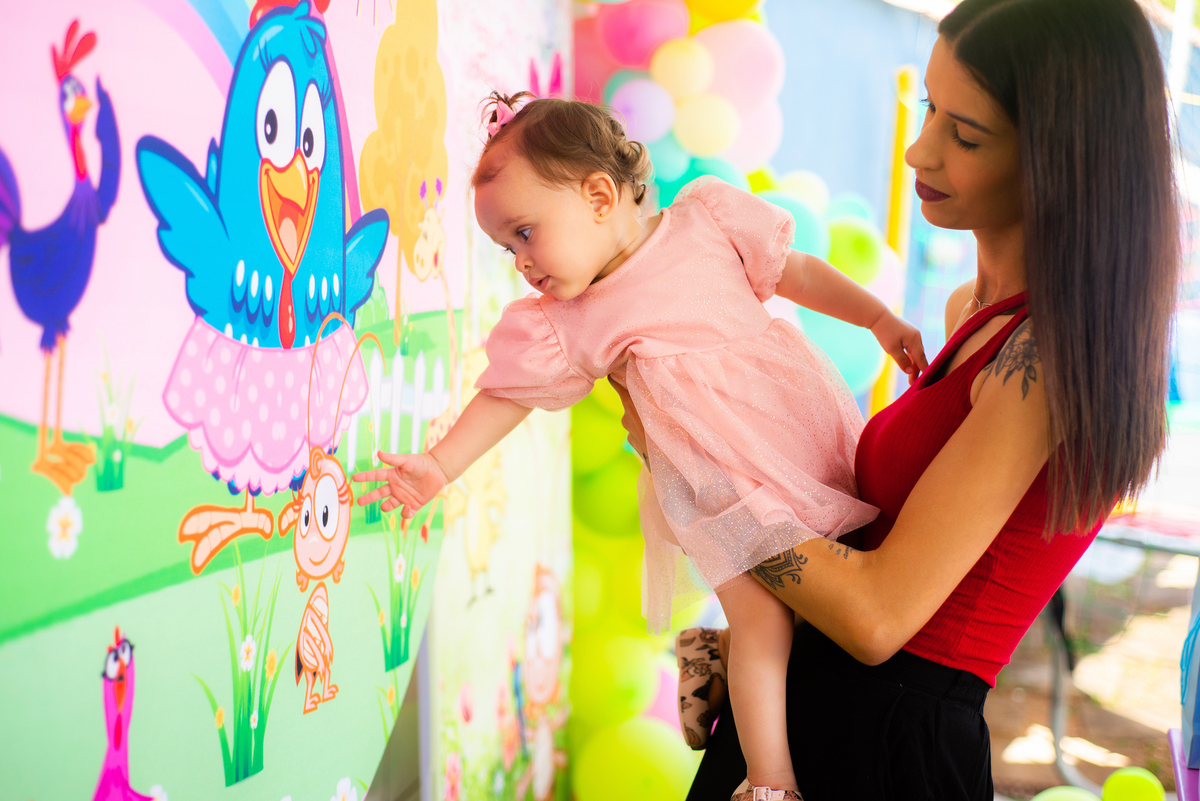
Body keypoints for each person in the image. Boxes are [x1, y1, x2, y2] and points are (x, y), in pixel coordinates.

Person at [611, 0, 1180, 798]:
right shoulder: (968, 316)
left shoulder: (1046, 359)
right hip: (817, 709)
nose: (920, 150)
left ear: (1061, 157)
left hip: (885, 744)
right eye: (930, 110)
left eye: (966, 135)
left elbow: (878, 617)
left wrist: (700, 469)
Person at [351, 91, 928, 800]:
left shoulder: (707, 218)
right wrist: (440, 465)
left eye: (526, 233)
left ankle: (709, 660)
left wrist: (877, 317)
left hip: (798, 430)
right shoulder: (572, 319)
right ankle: (769, 780)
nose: (521, 263)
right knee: (764, 615)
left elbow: (796, 271)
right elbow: (508, 395)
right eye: (508, 247)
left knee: (839, 571)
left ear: (599, 195)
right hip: (721, 481)